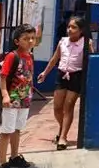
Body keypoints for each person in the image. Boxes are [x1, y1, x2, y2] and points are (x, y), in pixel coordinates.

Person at [38, 15, 93, 150]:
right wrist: (45, 73)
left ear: (81, 30)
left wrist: (90, 48)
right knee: (57, 107)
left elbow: (91, 59)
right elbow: (55, 58)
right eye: (69, 26)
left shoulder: (86, 42)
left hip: (76, 76)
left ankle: (63, 137)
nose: (69, 29)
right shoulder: (63, 42)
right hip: (62, 75)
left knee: (68, 107)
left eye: (73, 27)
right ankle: (63, 128)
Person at [0, 24, 37, 168]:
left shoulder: (30, 56)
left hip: (24, 98)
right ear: (17, 41)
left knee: (17, 129)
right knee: (6, 131)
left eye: (33, 38)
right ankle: (2, 163)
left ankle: (14, 156)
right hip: (12, 99)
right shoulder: (12, 56)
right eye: (26, 39)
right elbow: (3, 76)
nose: (30, 41)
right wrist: (5, 94)